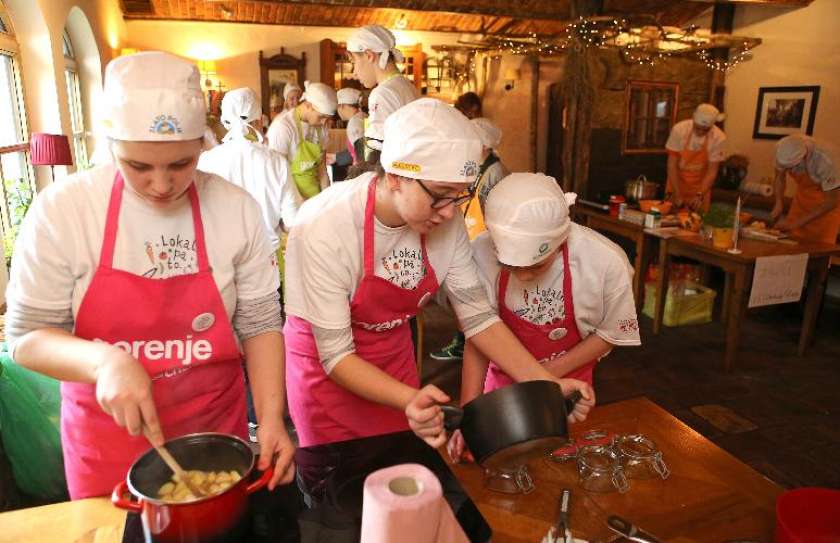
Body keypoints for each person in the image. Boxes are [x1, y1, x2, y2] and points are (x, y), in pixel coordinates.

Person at [3, 52, 295, 499]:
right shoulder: (65, 211)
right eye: (138, 166)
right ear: (111, 145)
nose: (162, 185)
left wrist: (272, 419)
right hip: (108, 447)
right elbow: (25, 338)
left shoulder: (235, 208)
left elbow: (259, 324)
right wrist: (106, 361)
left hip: (215, 435)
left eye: (181, 164)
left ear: (203, 144)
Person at [282, 98, 594, 463]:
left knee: (398, 472)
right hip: (328, 376)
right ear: (396, 176)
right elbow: (336, 356)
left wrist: (546, 383)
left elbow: (478, 318)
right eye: (440, 196)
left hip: (392, 360)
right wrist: (407, 399)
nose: (450, 212)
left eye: (460, 195)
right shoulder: (325, 225)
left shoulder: (446, 221)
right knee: (338, 490)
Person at [448, 173, 640, 461]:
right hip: (501, 389)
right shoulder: (479, 253)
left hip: (570, 389)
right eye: (508, 265)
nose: (523, 275)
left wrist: (546, 380)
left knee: (566, 465)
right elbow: (479, 337)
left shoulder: (604, 262)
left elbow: (608, 334)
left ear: (560, 239)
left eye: (536, 267)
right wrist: (470, 414)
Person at [430, 116, 509, 362]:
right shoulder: (474, 166)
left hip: (484, 241)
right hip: (470, 235)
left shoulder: (495, 172)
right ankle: (465, 341)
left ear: (483, 146)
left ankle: (470, 344)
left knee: (475, 296)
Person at [198, 87, 302, 251]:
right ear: (260, 121)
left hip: (221, 260)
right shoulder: (277, 161)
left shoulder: (205, 161)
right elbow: (293, 222)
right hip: (267, 259)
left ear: (225, 122)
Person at [346, 24, 419, 159]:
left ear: (369, 55)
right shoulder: (407, 85)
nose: (354, 73)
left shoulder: (383, 93)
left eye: (353, 61)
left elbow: (375, 153)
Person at [267, 81, 337, 200]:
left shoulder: (322, 127)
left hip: (315, 197)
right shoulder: (283, 127)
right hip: (292, 201)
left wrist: (326, 199)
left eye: (327, 118)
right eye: (322, 117)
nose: (324, 122)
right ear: (308, 105)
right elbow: (277, 175)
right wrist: (300, 204)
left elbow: (322, 169)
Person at [771, 134, 840, 244]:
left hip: (826, 210)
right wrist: (778, 202)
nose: (791, 171)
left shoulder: (825, 159)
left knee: (817, 252)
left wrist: (796, 223)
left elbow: (832, 201)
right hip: (801, 203)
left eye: (793, 167)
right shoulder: (782, 149)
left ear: (804, 157)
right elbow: (779, 176)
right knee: (790, 248)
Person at [665, 103, 727, 212]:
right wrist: (677, 194)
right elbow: (671, 165)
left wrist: (700, 195)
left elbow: (712, 171)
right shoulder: (679, 130)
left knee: (696, 223)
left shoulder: (718, 137)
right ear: (693, 120)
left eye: (705, 129)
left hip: (701, 187)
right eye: (697, 128)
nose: (700, 132)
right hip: (676, 183)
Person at [333, 87, 366, 168]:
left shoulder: (354, 122)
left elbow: (362, 153)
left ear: (342, 106)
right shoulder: (363, 116)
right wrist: (335, 157)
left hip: (362, 170)